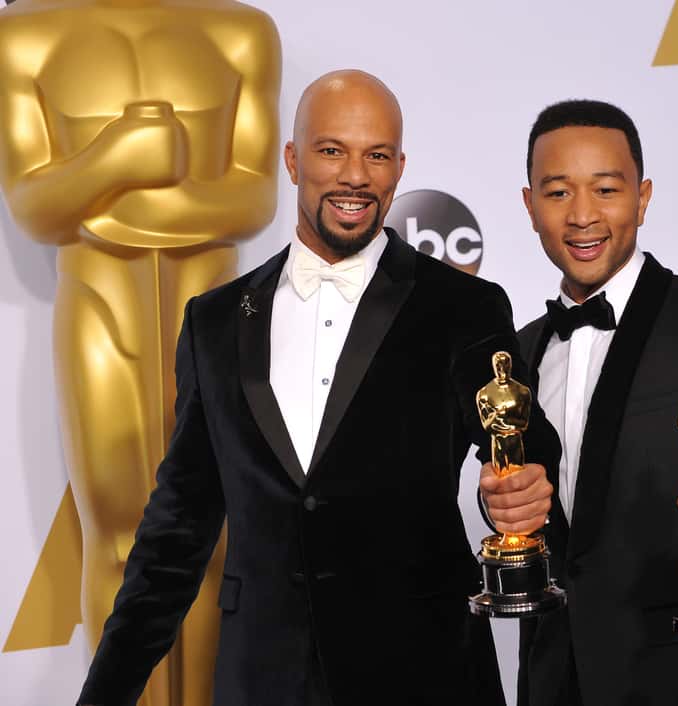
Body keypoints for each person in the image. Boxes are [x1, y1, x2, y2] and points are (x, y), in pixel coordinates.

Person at [77, 70, 560, 706]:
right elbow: (177, 529)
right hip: (265, 678)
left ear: (399, 167)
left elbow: (524, 442)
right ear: (293, 159)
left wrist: (527, 482)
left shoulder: (463, 307)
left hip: (423, 672)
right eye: (332, 150)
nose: (355, 176)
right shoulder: (215, 322)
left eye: (376, 155)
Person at [480, 100, 678, 705]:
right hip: (556, 680)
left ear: (643, 196)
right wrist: (499, 499)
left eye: (606, 189)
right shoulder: (517, 353)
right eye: (557, 193)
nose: (582, 216)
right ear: (529, 206)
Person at [0, 3, 281, 705]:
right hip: (98, 307)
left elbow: (254, 195)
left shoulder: (240, 31)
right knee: (120, 535)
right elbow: (34, 205)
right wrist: (116, 157)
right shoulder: (24, 36)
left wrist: (111, 208)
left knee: (219, 534)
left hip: (218, 311)